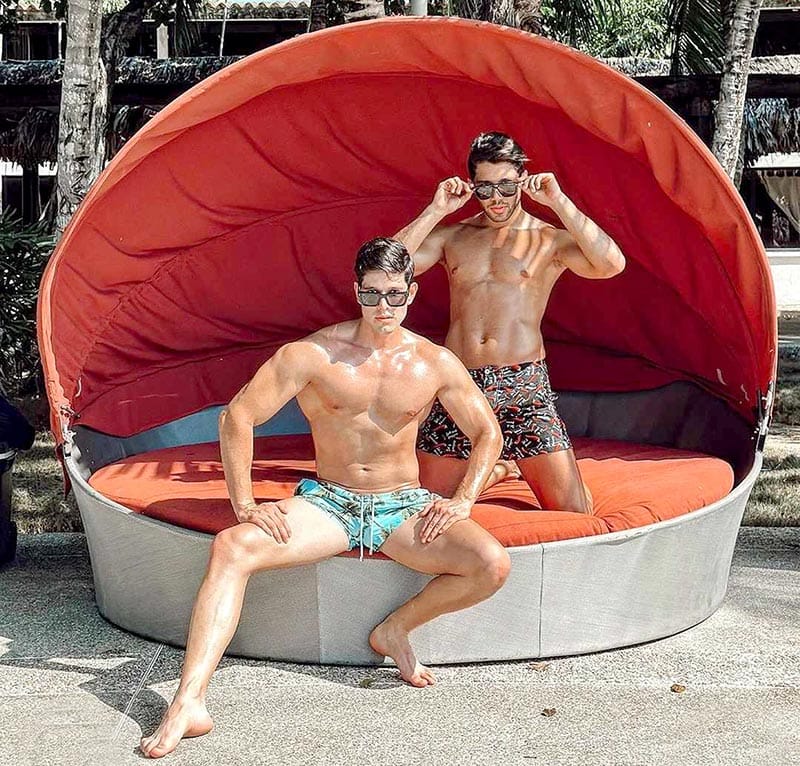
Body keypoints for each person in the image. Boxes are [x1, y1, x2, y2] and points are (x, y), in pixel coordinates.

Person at [140, 238, 507, 758]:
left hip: (402, 505)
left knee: (491, 565)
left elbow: (487, 433)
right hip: (330, 503)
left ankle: (395, 629)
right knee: (232, 546)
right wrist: (245, 504)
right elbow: (238, 416)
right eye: (372, 294)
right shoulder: (312, 354)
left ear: (412, 293)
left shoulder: (434, 362)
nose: (383, 306)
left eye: (395, 295)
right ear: (356, 292)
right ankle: (188, 702)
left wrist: (463, 499)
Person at [394, 131, 626, 514]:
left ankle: (497, 467)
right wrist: (436, 210)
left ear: (522, 179)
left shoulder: (546, 239)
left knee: (575, 510)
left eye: (506, 186)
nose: (496, 198)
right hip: (460, 383)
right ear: (472, 186)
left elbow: (611, 264)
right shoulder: (455, 236)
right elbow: (387, 270)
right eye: (485, 188)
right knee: (424, 508)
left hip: (522, 384)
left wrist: (558, 201)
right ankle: (497, 470)